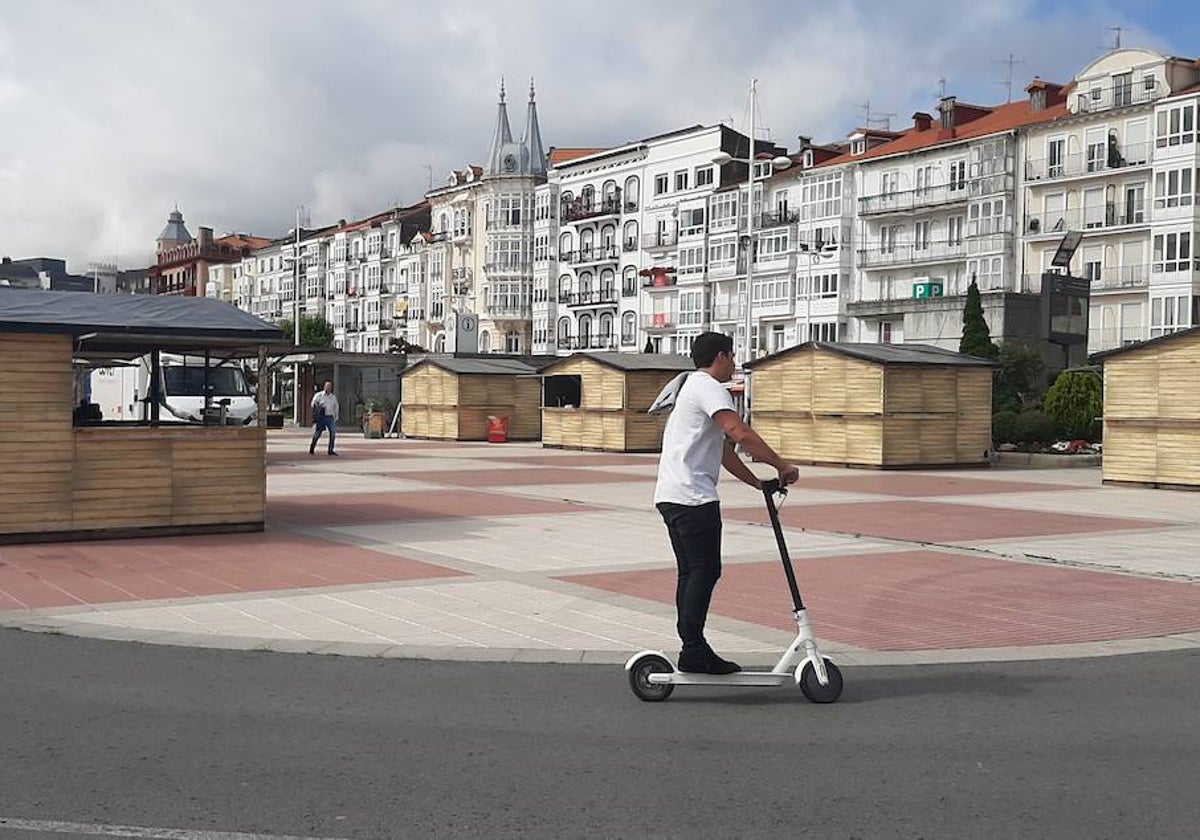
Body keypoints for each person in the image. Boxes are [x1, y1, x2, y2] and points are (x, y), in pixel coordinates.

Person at [654, 332, 799, 675]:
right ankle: (694, 649)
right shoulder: (709, 387)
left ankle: (692, 646)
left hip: (673, 496)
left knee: (692, 572)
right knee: (704, 571)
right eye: (732, 357)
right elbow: (739, 432)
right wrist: (782, 465)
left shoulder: (691, 387)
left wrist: (758, 483)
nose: (734, 365)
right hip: (693, 499)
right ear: (721, 356)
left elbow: (722, 450)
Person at [309, 381, 339, 456]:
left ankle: (330, 450)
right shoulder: (319, 395)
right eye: (327, 386)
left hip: (330, 417)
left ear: (331, 388)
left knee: (333, 433)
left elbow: (336, 407)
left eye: (329, 387)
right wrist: (320, 406)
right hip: (321, 417)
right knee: (318, 433)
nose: (328, 388)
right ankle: (312, 447)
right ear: (324, 387)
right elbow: (313, 404)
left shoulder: (333, 397)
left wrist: (335, 415)